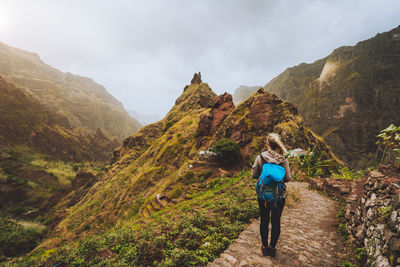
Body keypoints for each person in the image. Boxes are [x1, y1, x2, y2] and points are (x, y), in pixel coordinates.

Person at [252, 133, 291, 257]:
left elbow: (254, 174)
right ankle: (272, 248)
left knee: (264, 220)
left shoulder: (260, 157)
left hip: (263, 195)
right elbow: (288, 178)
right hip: (279, 196)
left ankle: (264, 247)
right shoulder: (283, 159)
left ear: (267, 144)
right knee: (276, 221)